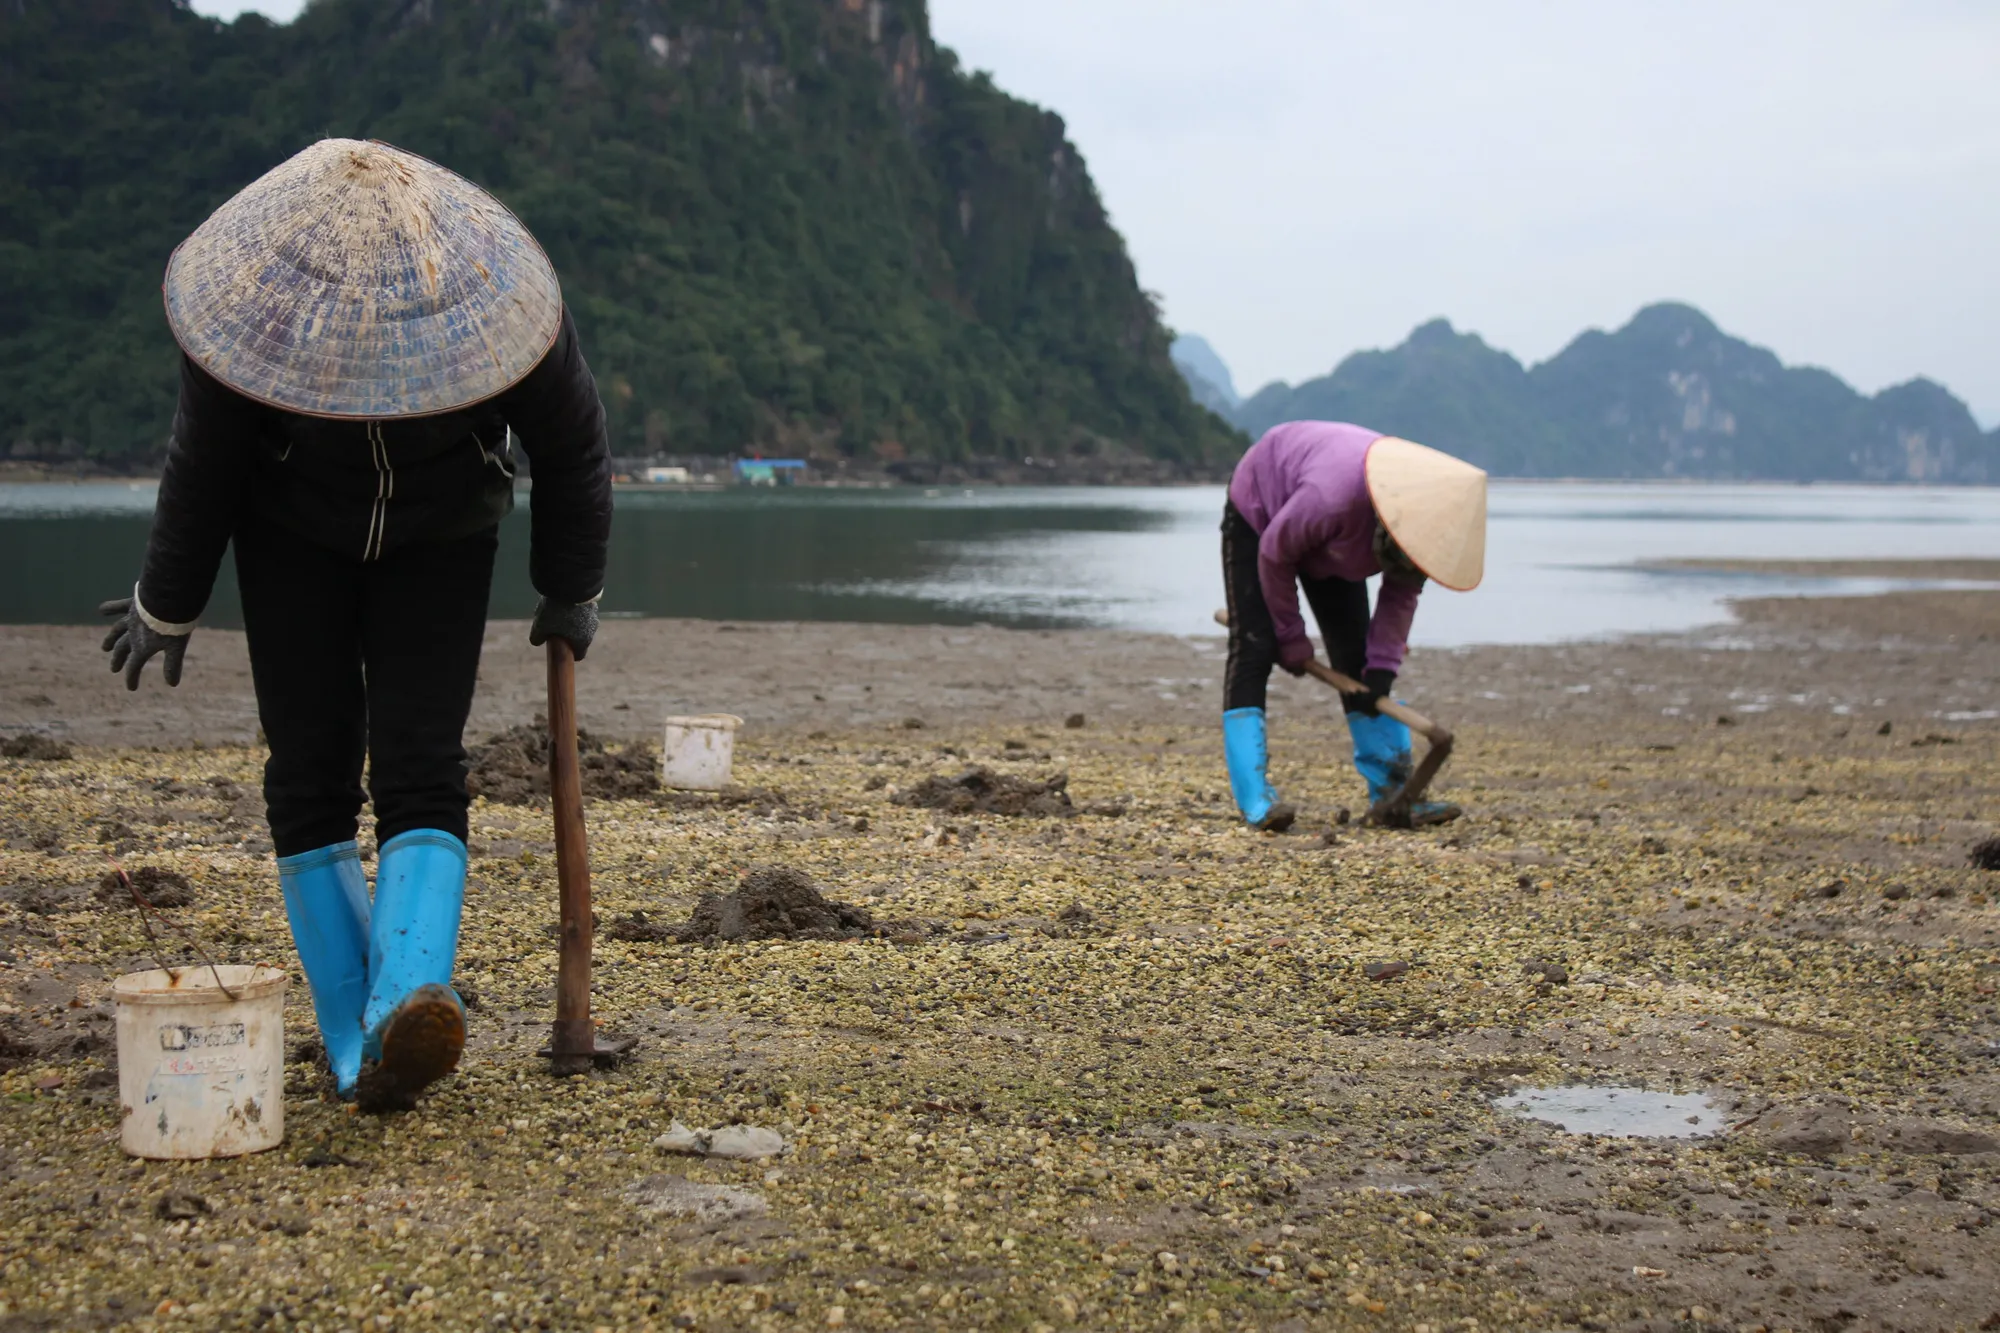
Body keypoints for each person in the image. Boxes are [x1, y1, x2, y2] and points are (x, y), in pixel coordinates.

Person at [99, 139, 611, 1110]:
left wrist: (569, 585)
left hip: (443, 533)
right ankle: (355, 1045)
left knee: (421, 759)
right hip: (291, 535)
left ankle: (403, 1001)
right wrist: (164, 603)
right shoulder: (252, 310)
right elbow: (202, 465)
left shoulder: (499, 302)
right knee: (307, 771)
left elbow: (573, 444)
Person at [1221, 421, 1485, 830]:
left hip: (1335, 541)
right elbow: (1275, 553)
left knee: (1359, 663)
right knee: (1254, 647)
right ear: (1386, 527)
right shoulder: (1333, 499)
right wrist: (1290, 638)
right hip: (1264, 510)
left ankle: (1395, 794)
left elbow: (1401, 595)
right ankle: (1256, 799)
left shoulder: (1419, 526)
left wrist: (1382, 668)